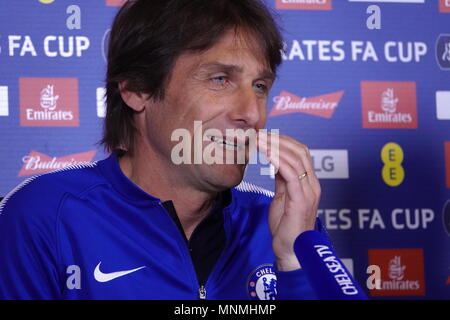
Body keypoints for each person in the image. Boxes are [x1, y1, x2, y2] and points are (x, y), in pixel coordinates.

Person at [0, 0, 325, 300]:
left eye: (260, 86)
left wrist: (296, 257)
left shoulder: (285, 220)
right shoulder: (44, 215)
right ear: (137, 89)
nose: (252, 113)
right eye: (220, 79)